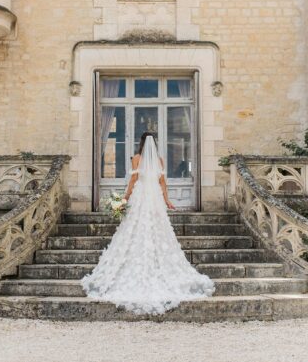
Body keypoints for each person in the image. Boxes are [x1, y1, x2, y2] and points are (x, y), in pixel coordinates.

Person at [81, 132, 215, 315]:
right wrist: (167, 201)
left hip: (141, 195)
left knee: (135, 228)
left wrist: (125, 198)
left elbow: (134, 180)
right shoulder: (159, 160)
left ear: (141, 143)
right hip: (155, 199)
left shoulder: (136, 158)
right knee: (157, 228)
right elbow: (162, 183)